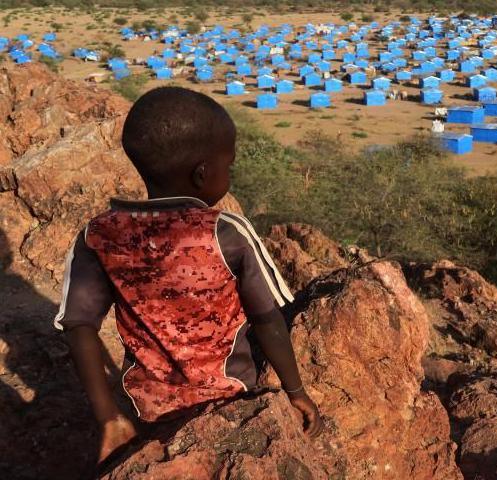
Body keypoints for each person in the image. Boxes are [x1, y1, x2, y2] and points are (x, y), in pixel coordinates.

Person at [54, 87, 321, 466]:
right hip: (229, 401)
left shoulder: (99, 234)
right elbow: (268, 320)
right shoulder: (225, 232)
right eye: (227, 165)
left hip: (146, 410)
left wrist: (109, 418)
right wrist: (296, 390)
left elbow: (78, 323)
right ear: (201, 174)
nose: (229, 171)